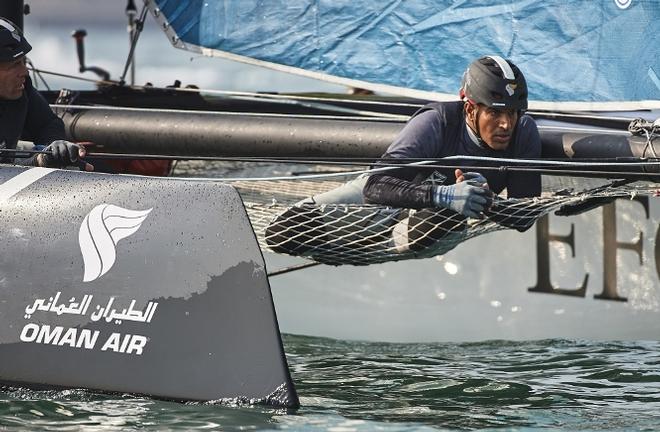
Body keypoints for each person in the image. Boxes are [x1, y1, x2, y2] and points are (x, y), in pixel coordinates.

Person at [363, 55, 541, 221]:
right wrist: (442, 195)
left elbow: (524, 218)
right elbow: (374, 186)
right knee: (334, 214)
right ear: (470, 110)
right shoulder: (436, 122)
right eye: (495, 112)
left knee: (443, 220)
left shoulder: (523, 131)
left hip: (424, 224)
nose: (506, 125)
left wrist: (489, 201)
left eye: (512, 113)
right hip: (373, 203)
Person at [0, 17, 92, 170]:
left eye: (24, 61)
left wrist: (55, 148)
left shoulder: (22, 89)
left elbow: (48, 124)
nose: (25, 71)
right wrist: (41, 161)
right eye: (15, 64)